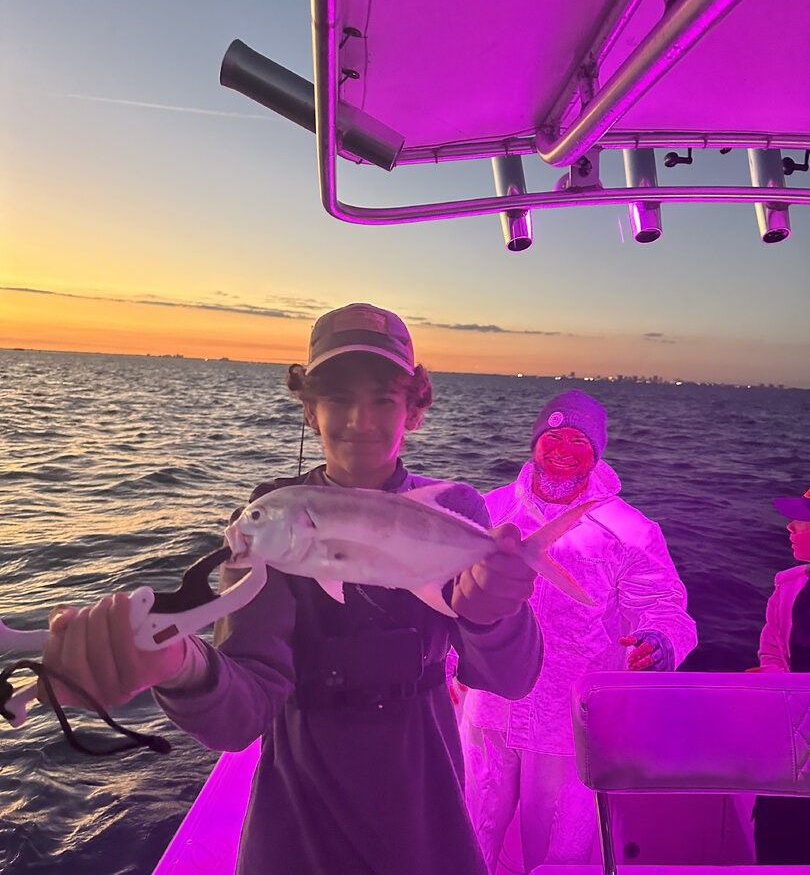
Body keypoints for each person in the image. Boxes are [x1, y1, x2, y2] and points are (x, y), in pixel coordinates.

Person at [40, 302, 543, 875]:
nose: (361, 420)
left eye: (383, 398)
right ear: (309, 410)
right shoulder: (271, 526)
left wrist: (492, 616)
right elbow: (241, 709)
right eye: (337, 398)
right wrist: (179, 664)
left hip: (423, 795)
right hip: (301, 806)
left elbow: (513, 678)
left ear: (414, 410)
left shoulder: (454, 509)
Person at [459, 389, 698, 873]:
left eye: (578, 439)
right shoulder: (487, 512)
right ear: (534, 442)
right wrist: (445, 665)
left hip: (570, 721)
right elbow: (451, 596)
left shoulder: (629, 529)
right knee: (468, 832)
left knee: (560, 853)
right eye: (553, 435)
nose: (563, 447)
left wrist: (661, 641)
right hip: (488, 709)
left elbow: (664, 605)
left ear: (597, 451)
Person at [753, 486, 810, 864]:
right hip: (791, 741)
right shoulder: (786, 587)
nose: (789, 527)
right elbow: (771, 651)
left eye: (801, 521)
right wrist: (775, 684)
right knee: (777, 838)